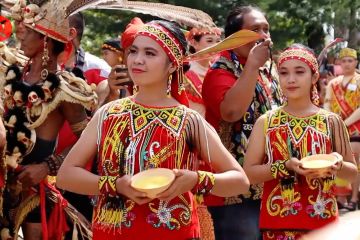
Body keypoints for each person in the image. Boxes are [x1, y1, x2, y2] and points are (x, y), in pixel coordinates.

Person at [57, 20, 250, 240]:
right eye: (133, 51)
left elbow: (239, 181)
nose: (137, 60)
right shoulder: (109, 114)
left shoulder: (188, 120)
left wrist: (197, 180)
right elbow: (66, 175)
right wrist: (115, 185)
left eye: (150, 53)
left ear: (172, 65)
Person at [1, 1, 97, 239]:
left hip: (35, 195)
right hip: (4, 185)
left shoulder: (65, 89)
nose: (20, 34)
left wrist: (47, 167)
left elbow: (88, 139)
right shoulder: (11, 74)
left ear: (45, 40)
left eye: (29, 30)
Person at [243, 44, 358, 240]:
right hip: (278, 226)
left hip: (324, 227)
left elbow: (352, 173)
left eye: (299, 72)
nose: (291, 79)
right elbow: (248, 174)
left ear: (314, 77)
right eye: (284, 73)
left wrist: (337, 164)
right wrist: (284, 166)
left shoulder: (331, 121)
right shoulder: (266, 122)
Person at [202, 5, 283, 240]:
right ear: (234, 38)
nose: (264, 36)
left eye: (266, 29)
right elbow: (232, 112)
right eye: (255, 29)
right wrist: (252, 66)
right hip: (234, 194)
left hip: (269, 182)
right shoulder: (219, 70)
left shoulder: (270, 70)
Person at [324, 47, 360, 211]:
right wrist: (331, 120)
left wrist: (344, 123)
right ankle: (341, 197)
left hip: (356, 127)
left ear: (356, 62)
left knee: (356, 162)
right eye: (343, 61)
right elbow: (327, 102)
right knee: (339, 161)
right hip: (337, 127)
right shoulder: (333, 83)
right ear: (339, 62)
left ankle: (354, 196)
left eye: (350, 60)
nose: (346, 64)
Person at [185, 27, 221, 116]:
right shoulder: (185, 73)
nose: (215, 46)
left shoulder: (218, 69)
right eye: (209, 41)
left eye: (217, 41)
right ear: (194, 43)